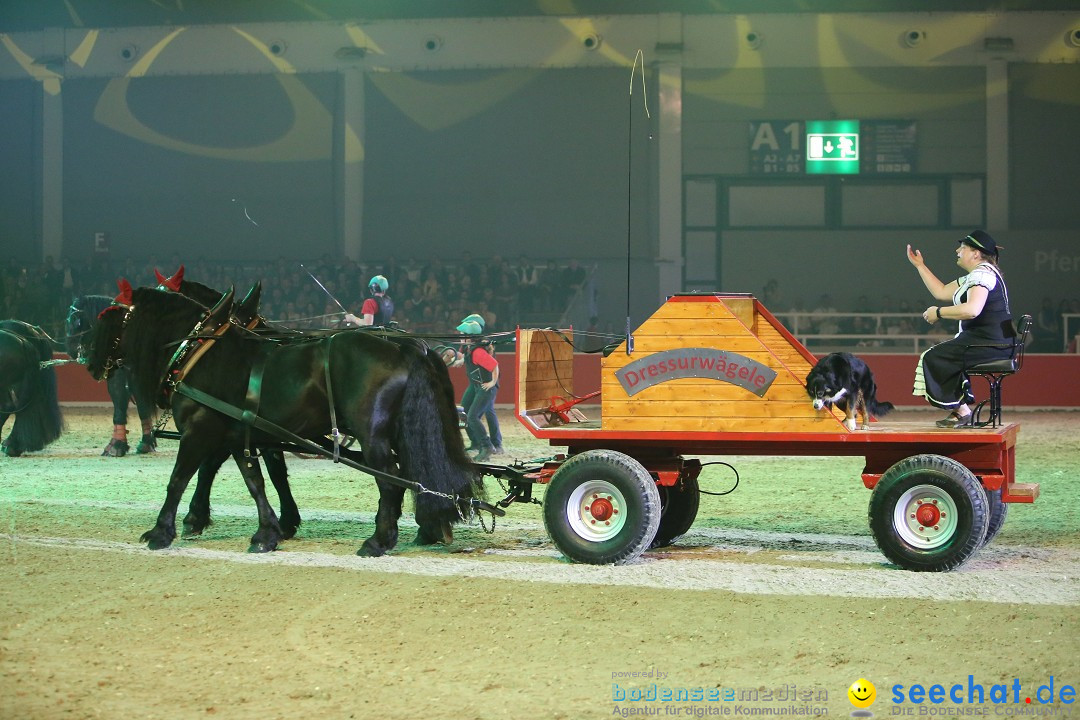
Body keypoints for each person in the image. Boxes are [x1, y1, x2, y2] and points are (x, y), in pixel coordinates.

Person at [907, 230, 1013, 428]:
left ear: (975, 253)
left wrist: (938, 313)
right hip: (991, 341)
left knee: (934, 357)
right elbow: (940, 291)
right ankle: (961, 410)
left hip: (990, 343)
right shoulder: (977, 275)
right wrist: (920, 266)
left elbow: (972, 310)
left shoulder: (982, 273)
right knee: (941, 355)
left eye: (962, 248)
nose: (957, 251)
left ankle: (962, 411)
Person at [455, 316, 502, 462]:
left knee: (472, 417)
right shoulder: (470, 349)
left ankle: (487, 446)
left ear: (470, 337)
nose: (461, 337)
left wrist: (492, 382)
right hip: (476, 386)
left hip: (485, 388)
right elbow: (466, 359)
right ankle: (476, 443)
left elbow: (494, 365)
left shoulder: (477, 352)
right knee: (464, 412)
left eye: (463, 335)